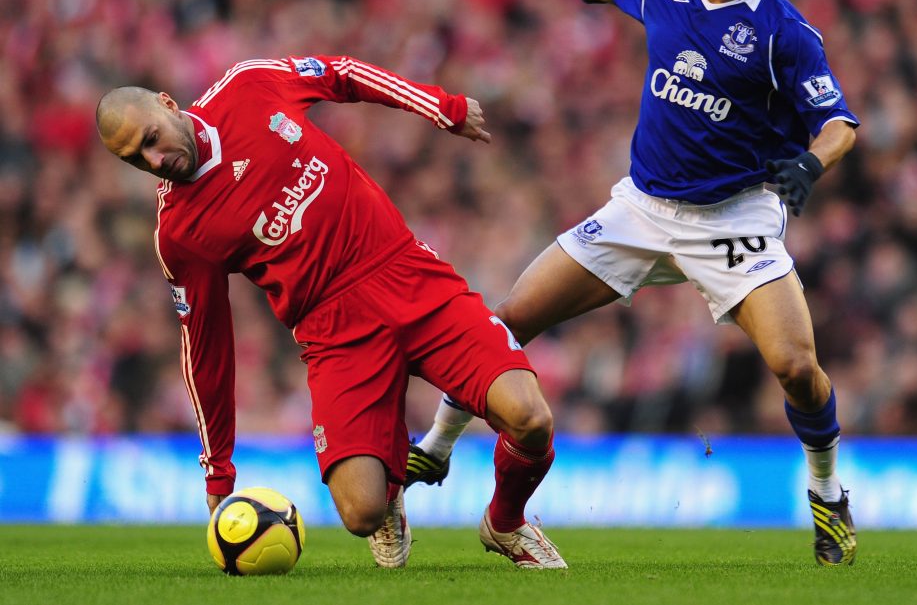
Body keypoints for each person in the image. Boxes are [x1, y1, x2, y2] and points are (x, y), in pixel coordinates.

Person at [409, 0, 859, 566]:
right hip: (641, 211)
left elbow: (838, 123)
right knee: (507, 319)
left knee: (797, 366)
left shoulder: (784, 34)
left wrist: (812, 165)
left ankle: (828, 498)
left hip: (732, 219)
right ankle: (440, 452)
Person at [95, 55, 566, 569]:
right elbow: (207, 348)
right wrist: (218, 472)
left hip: (407, 276)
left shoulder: (248, 87)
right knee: (361, 512)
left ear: (167, 105)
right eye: (136, 159)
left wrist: (440, 105)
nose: (154, 160)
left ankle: (504, 522)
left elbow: (342, 74)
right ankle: (388, 493)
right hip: (334, 332)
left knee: (531, 419)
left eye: (150, 138)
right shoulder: (180, 233)